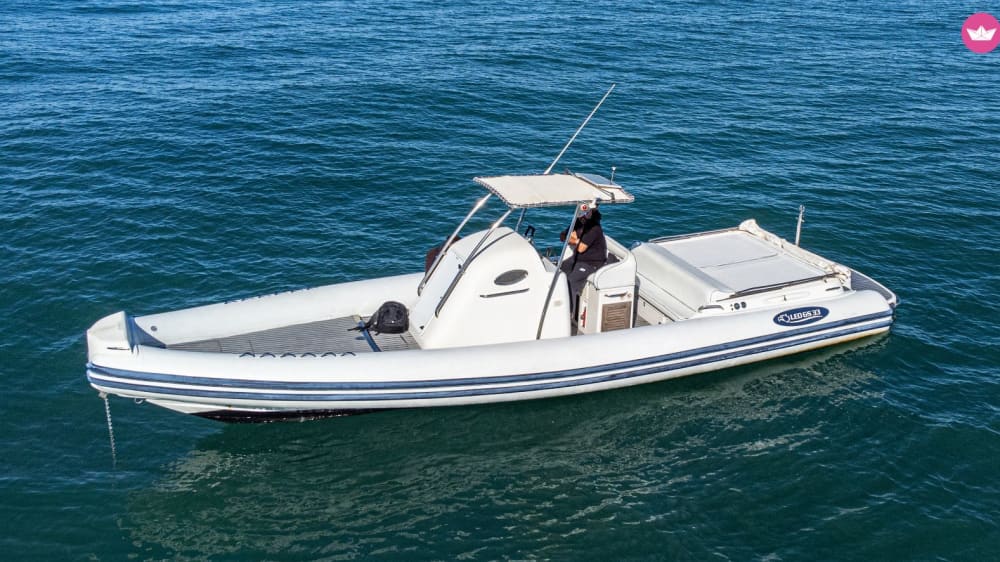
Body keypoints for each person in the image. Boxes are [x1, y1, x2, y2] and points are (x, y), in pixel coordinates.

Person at [559, 204, 607, 319]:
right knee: (560, 272)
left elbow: (581, 248)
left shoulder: (594, 228)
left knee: (571, 280)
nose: (582, 217)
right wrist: (576, 240)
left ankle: (569, 314)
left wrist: (574, 239)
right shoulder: (578, 222)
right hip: (578, 258)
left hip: (592, 263)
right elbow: (563, 236)